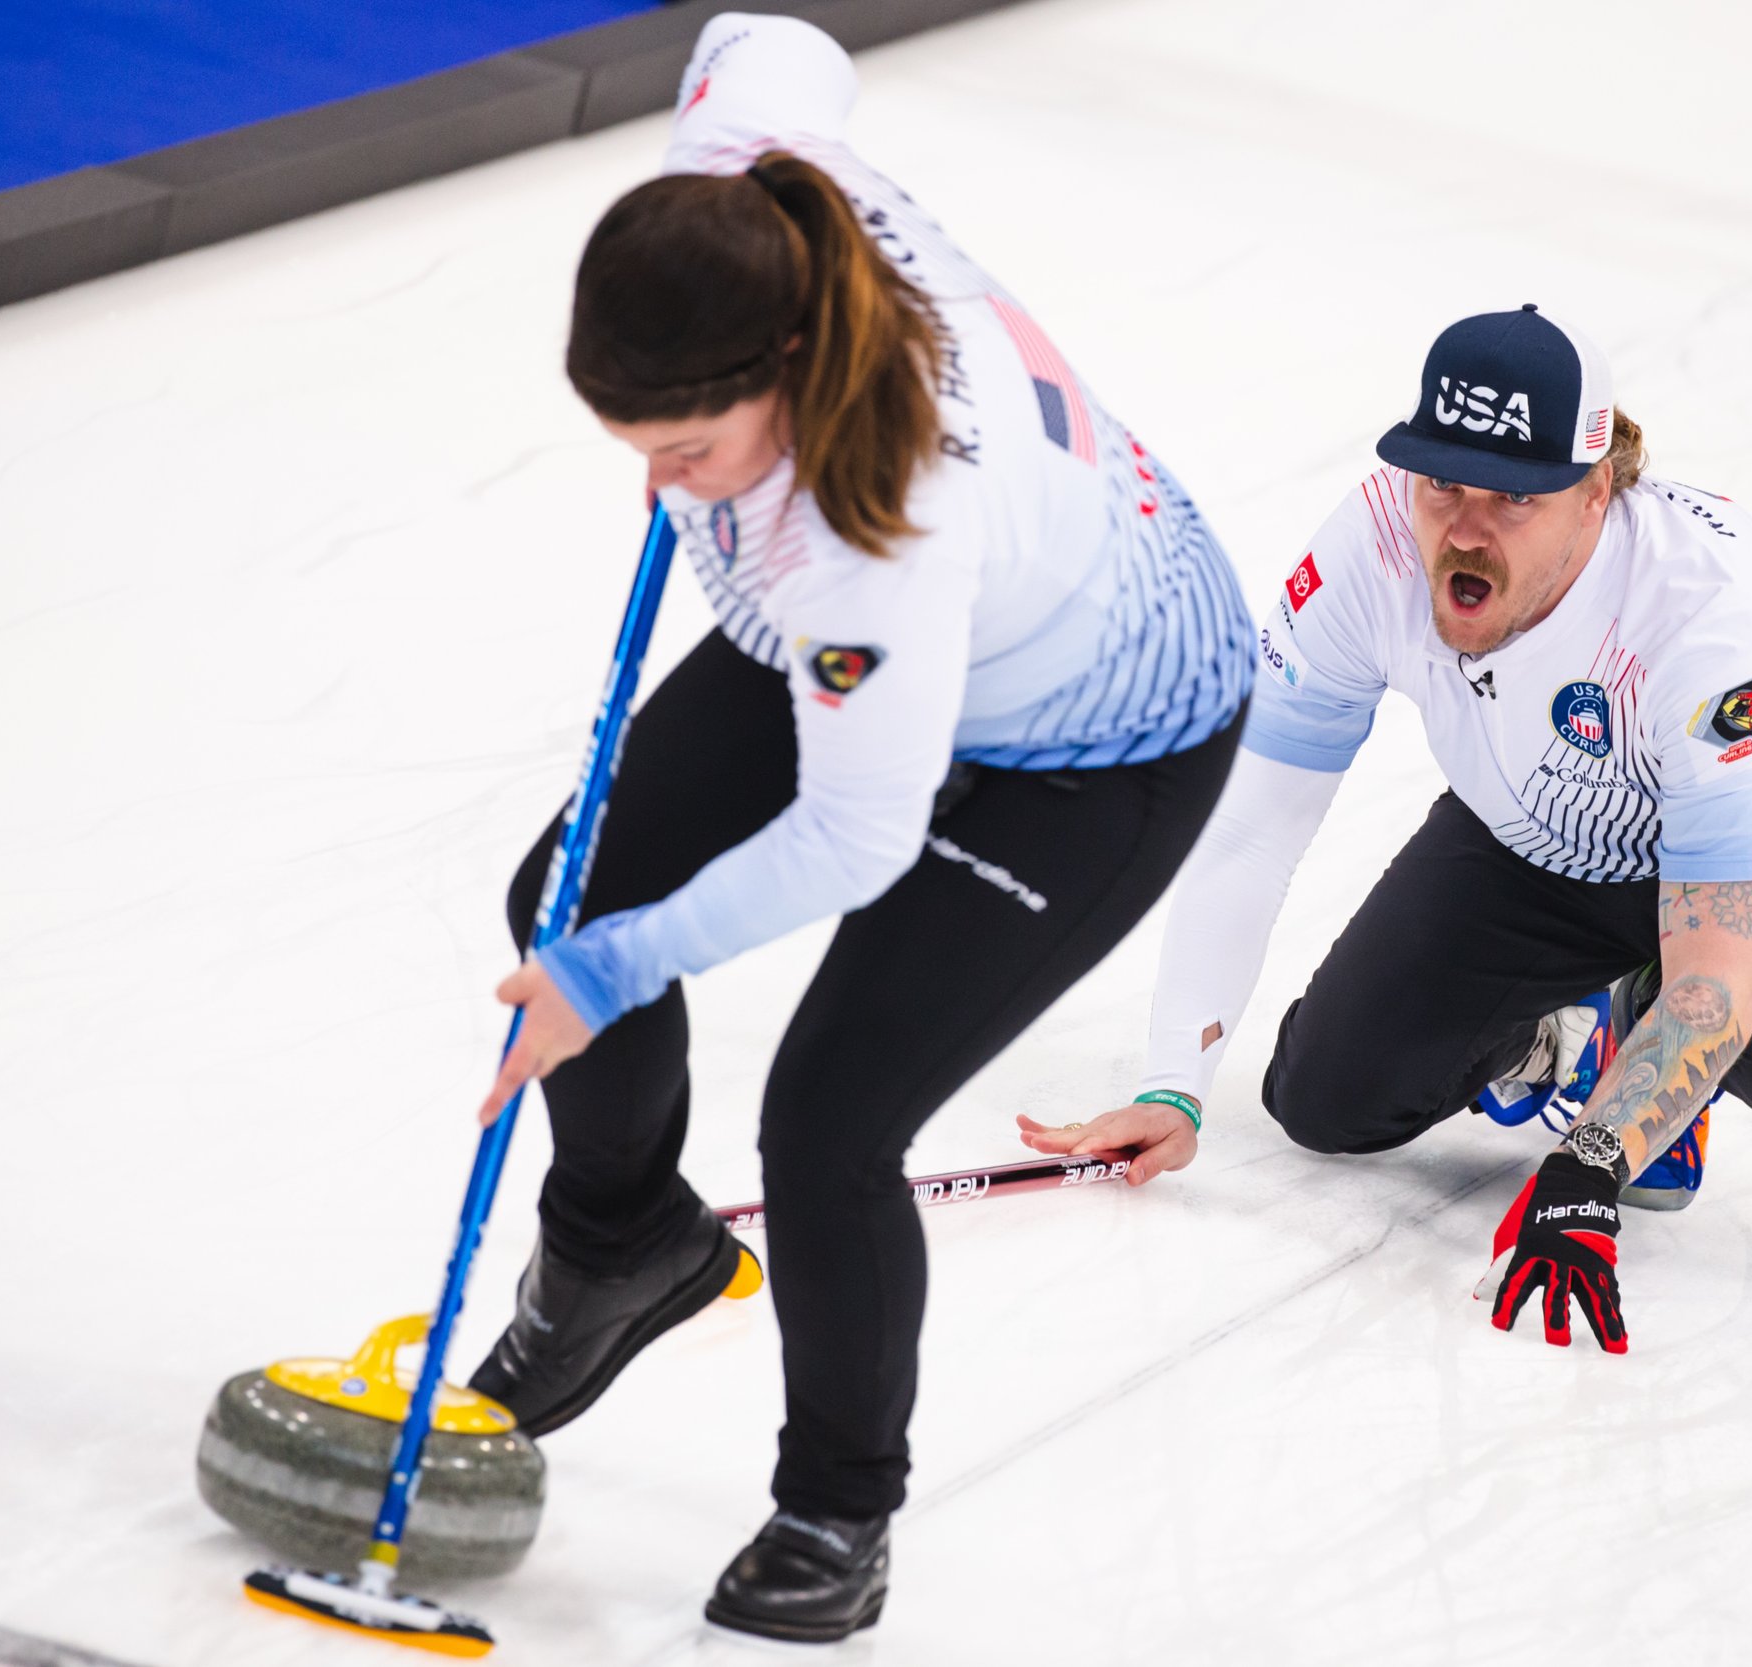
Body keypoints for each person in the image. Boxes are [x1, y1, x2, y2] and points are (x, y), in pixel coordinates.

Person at [464, 12, 1252, 1643]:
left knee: (828, 1115)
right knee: (566, 891)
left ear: (773, 384)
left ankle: (837, 1507)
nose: (661, 476)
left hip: (1098, 735)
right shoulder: (743, 187)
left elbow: (856, 839)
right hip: (893, 628)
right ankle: (621, 1245)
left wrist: (616, 975)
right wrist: (592, 943)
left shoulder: (873, 527)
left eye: (683, 447)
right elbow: (773, 39)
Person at [1025, 303, 1752, 1354]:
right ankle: (1565, 1032)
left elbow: (1719, 973)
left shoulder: (1709, 624)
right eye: (1442, 483)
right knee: (1326, 1096)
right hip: (1558, 811)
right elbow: (1248, 827)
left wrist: (1589, 1164)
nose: (1462, 527)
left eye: (1513, 496)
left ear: (1596, 491)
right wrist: (1170, 1086)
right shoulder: (1371, 545)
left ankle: (1632, 1044)